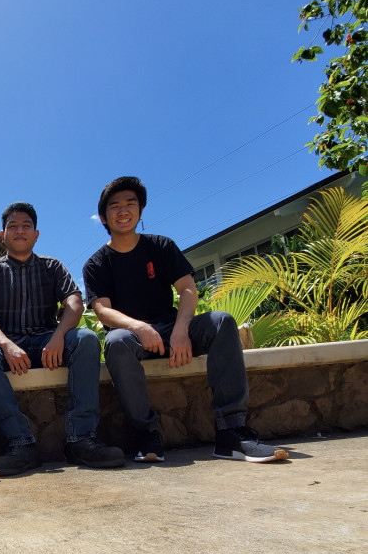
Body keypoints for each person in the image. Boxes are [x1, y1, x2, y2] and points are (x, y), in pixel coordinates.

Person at [83, 177, 288, 464]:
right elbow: (103, 311)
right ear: (104, 216)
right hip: (133, 338)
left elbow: (188, 289)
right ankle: (147, 434)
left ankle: (231, 432)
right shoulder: (96, 263)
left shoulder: (161, 246)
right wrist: (139, 327)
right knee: (116, 341)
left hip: (172, 328)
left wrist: (180, 330)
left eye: (130, 204)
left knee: (222, 321)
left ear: (140, 210)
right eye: (114, 206)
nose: (123, 211)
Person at [0, 202, 124, 475]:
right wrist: (6, 345)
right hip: (8, 347)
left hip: (49, 342)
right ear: (2, 235)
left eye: (26, 226)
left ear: (36, 234)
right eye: (12, 226)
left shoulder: (53, 267)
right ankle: (21, 444)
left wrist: (60, 335)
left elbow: (75, 303)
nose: (19, 231)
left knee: (86, 339)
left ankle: (81, 440)